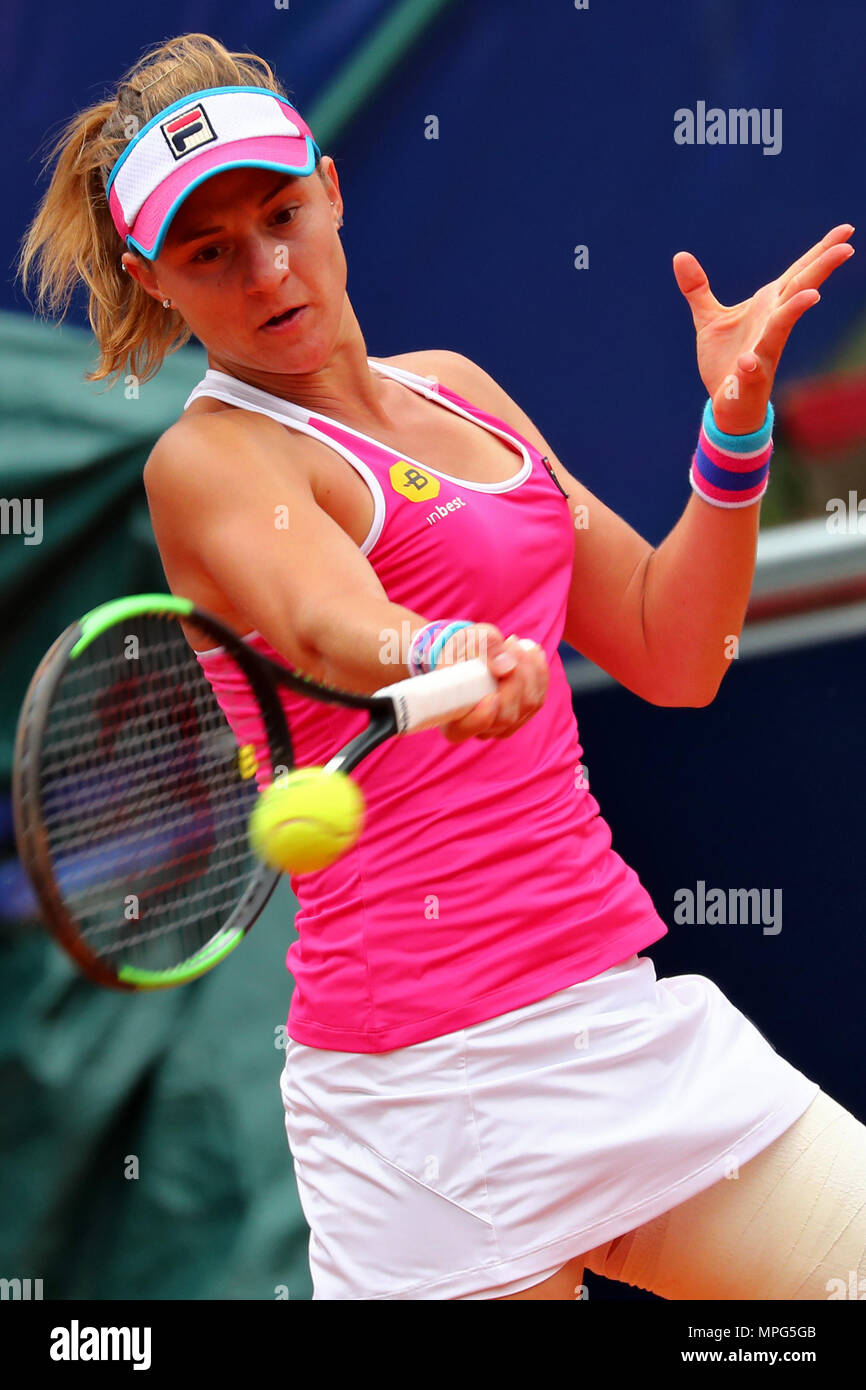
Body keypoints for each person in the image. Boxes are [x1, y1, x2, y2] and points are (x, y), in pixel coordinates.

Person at [17, 32, 865, 1301]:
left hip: (616, 1033)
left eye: (282, 215)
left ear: (333, 189)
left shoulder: (460, 392)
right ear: (156, 278)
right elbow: (318, 619)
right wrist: (431, 649)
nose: (265, 269)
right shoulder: (205, 463)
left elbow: (671, 647)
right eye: (208, 252)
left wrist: (731, 438)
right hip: (420, 1113)